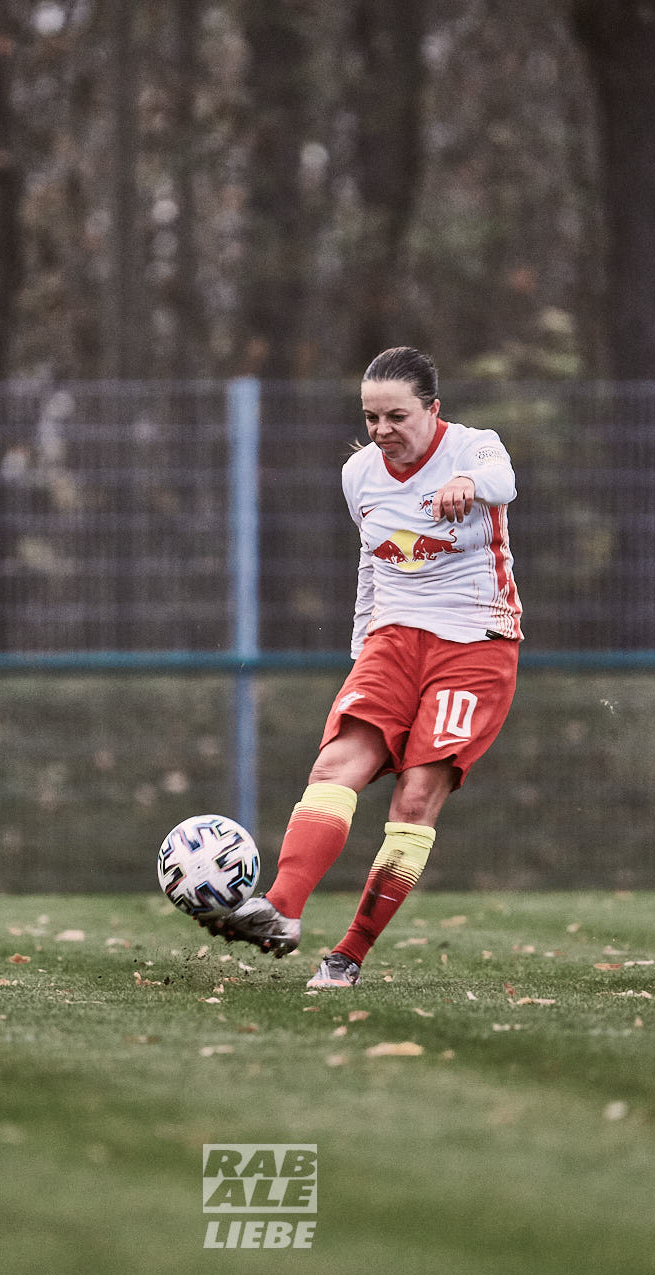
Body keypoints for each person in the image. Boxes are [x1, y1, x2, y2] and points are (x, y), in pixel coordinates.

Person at [203, 346, 521, 989]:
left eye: (397, 416)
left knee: (416, 796)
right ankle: (281, 910)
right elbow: (371, 562)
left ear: (433, 409)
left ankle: (348, 954)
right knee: (333, 767)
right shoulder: (359, 474)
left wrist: (469, 483)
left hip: (475, 644)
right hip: (391, 641)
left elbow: (504, 480)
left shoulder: (475, 447)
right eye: (371, 417)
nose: (382, 431)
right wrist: (363, 650)